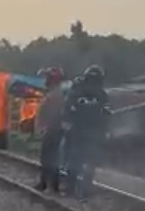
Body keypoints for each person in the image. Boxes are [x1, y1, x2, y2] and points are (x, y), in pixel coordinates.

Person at [62, 65, 111, 198]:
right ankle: (86, 190)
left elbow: (67, 107)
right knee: (90, 162)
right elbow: (107, 114)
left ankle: (70, 189)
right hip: (95, 132)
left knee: (74, 160)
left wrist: (67, 122)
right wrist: (106, 131)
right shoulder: (102, 95)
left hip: (79, 130)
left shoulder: (77, 91)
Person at [34, 67, 66, 192]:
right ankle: (51, 184)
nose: (45, 80)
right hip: (55, 129)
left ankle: (46, 184)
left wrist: (43, 126)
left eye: (48, 78)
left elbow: (50, 113)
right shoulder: (56, 93)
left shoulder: (55, 95)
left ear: (52, 80)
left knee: (48, 157)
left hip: (53, 129)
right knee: (52, 157)